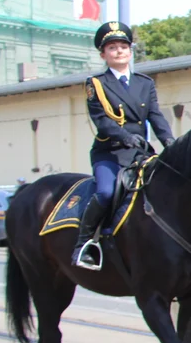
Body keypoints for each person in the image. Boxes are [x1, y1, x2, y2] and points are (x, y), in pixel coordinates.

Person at [73, 21, 175, 269]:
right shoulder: (96, 84)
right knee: (107, 193)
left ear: (130, 52)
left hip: (140, 153)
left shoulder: (144, 83)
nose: (119, 51)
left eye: (123, 46)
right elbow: (102, 121)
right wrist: (125, 136)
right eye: (112, 48)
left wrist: (170, 141)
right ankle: (85, 243)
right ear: (103, 55)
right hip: (110, 153)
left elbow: (155, 116)